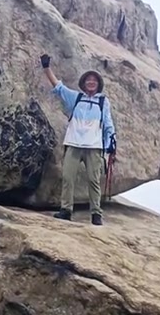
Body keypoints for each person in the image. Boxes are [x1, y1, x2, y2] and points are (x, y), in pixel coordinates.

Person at [40, 54, 116, 225]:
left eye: (94, 80)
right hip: (73, 143)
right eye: (88, 80)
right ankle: (66, 210)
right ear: (83, 83)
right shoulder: (76, 98)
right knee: (68, 178)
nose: (91, 82)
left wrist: (111, 142)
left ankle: (96, 213)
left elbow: (108, 123)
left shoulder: (103, 101)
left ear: (98, 84)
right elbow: (58, 87)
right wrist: (46, 68)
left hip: (94, 146)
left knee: (93, 180)